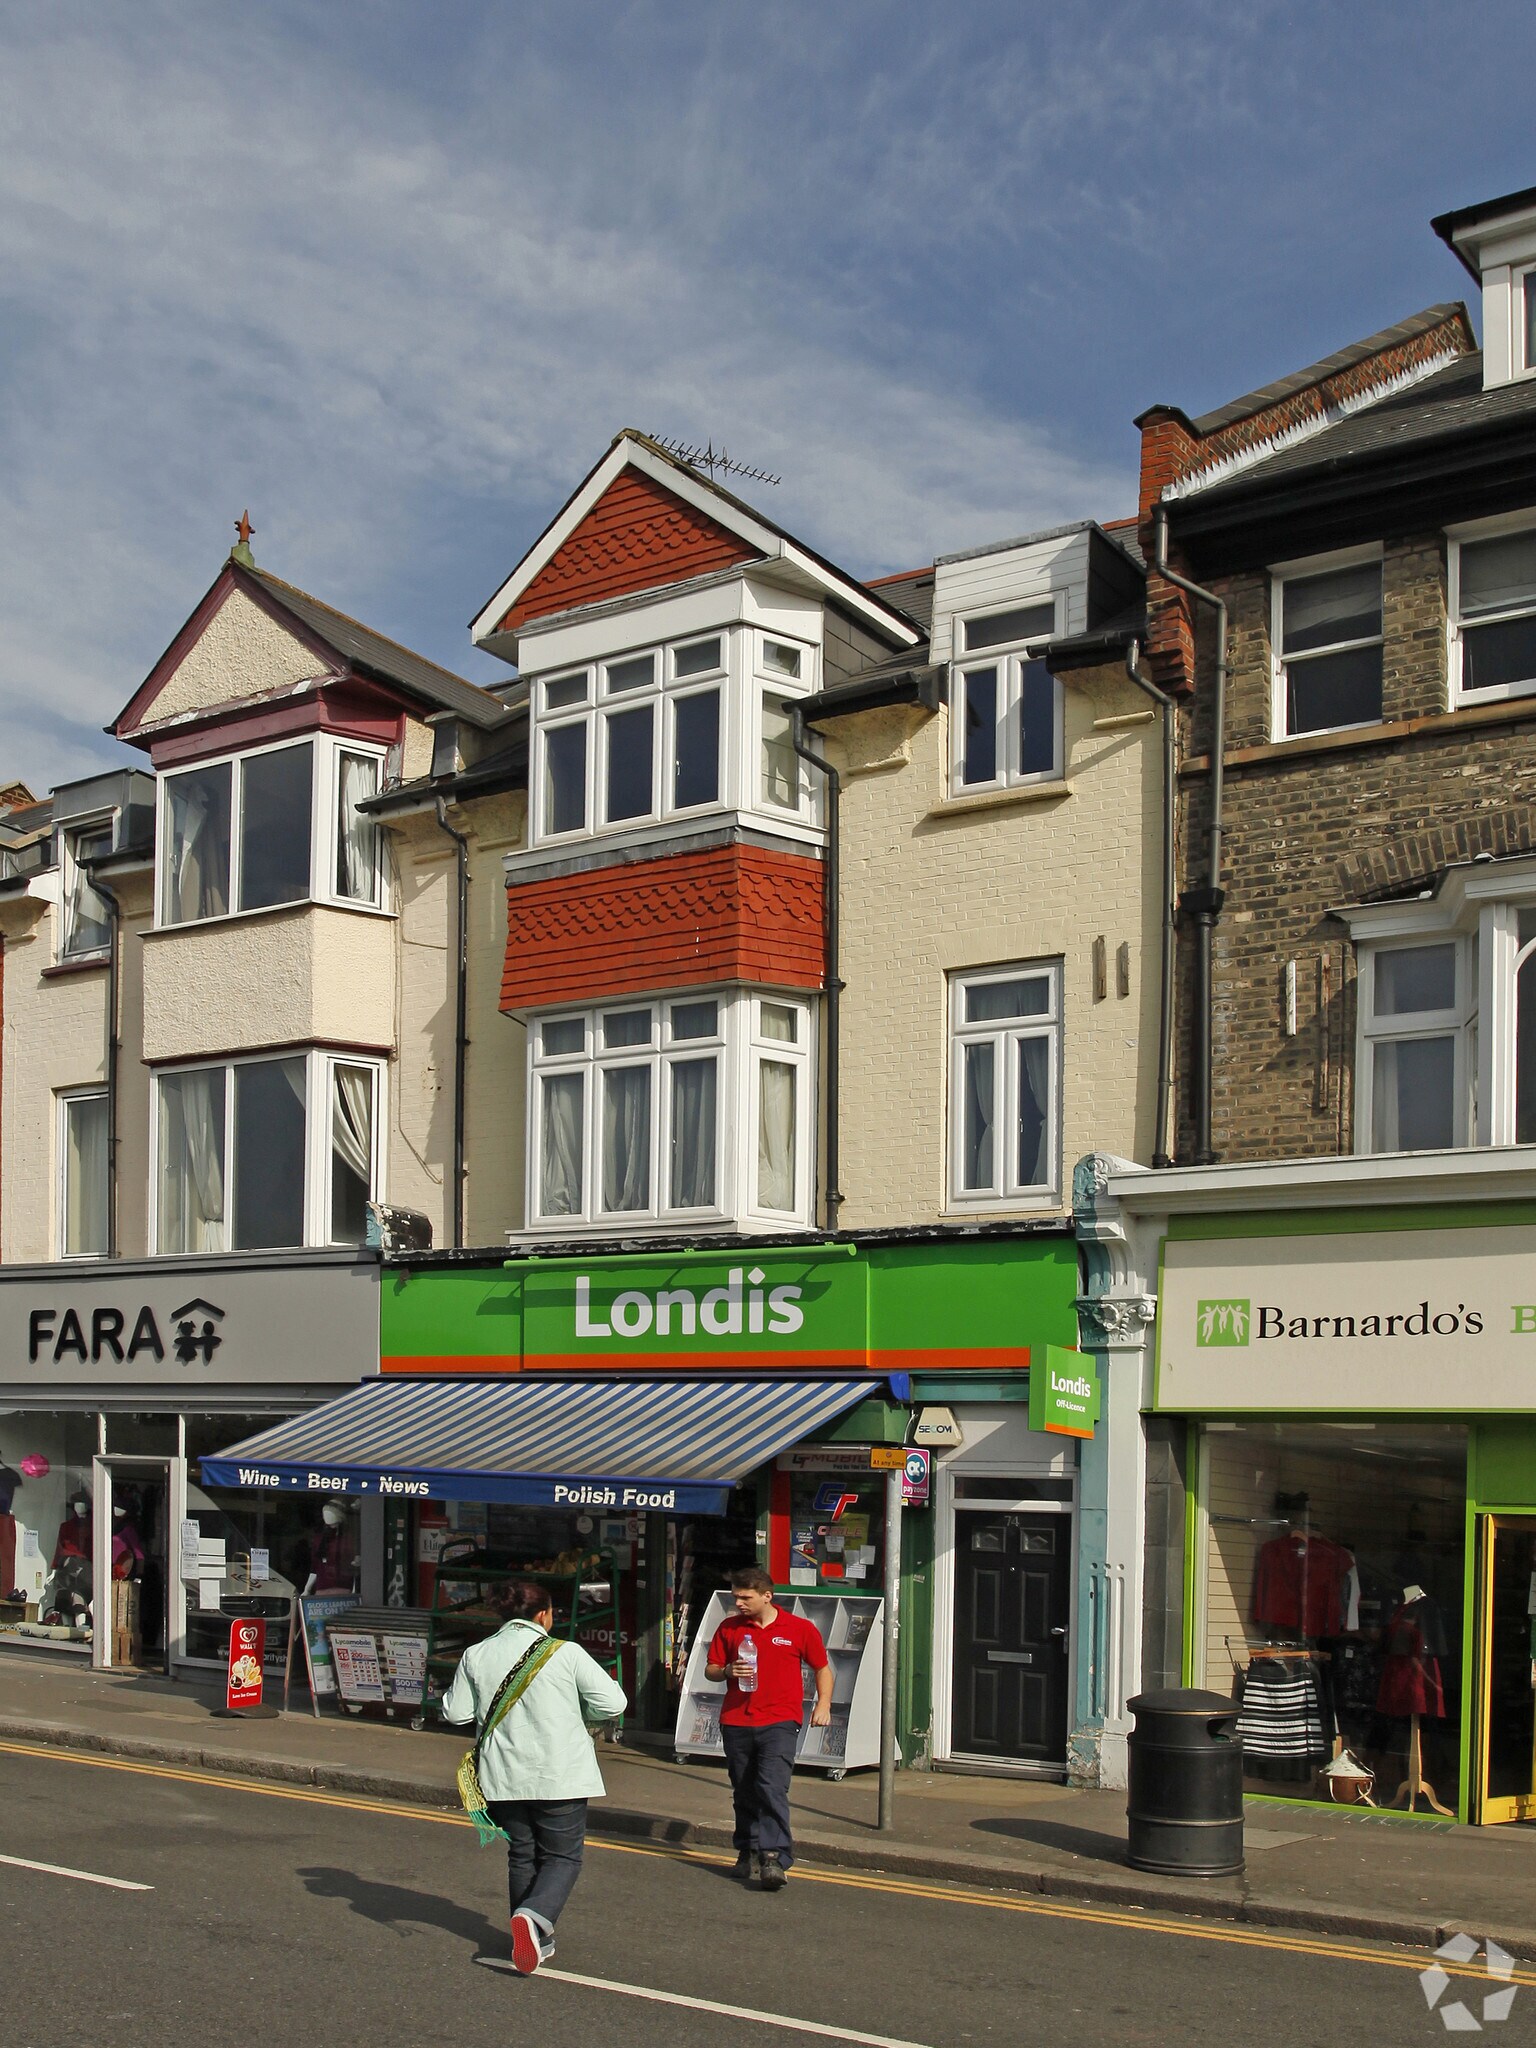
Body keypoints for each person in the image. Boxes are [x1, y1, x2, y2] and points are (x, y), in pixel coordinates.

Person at [442, 1577, 627, 1976]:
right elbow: (613, 1702)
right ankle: (534, 1915)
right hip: (560, 1773)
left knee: (522, 1854)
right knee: (562, 1856)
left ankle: (531, 1940)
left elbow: (456, 1713)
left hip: (502, 1775)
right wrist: (581, 1714)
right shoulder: (566, 1653)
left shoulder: (476, 1653)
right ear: (545, 1615)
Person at [705, 1565, 832, 1890]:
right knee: (744, 1789)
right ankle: (747, 1849)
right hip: (736, 1721)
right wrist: (727, 1672)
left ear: (767, 1595)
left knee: (772, 1787)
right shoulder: (730, 1628)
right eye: (736, 1597)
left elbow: (822, 1668)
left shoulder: (798, 1628)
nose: (740, 1604)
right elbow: (712, 1669)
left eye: (746, 1598)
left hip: (779, 1721)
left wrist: (823, 1705)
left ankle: (774, 1856)